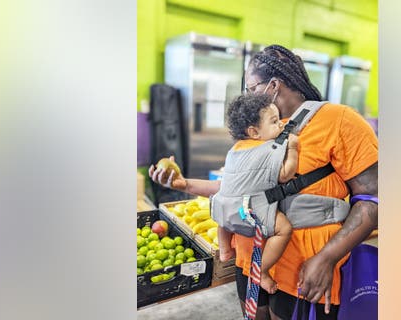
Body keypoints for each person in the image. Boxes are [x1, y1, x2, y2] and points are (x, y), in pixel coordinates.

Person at [150, 44, 378, 320]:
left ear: (273, 86)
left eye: (251, 87)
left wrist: (327, 258)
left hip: (306, 268)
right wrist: (184, 184)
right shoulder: (257, 130)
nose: (248, 96)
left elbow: (373, 200)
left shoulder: (340, 121)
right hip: (253, 264)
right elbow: (238, 191)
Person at [213, 93, 296, 294]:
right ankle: (260, 270)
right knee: (284, 229)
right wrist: (293, 147)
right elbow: (285, 174)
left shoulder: (235, 150)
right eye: (275, 122)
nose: (282, 125)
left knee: (223, 218)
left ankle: (224, 250)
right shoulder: (267, 149)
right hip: (247, 210)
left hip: (222, 208)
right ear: (254, 132)